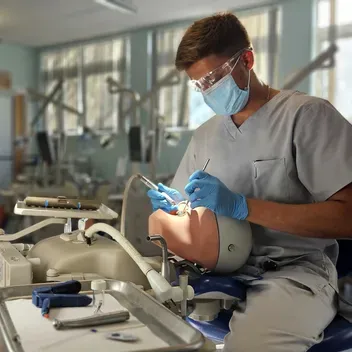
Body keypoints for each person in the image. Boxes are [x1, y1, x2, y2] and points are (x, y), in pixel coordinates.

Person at [147, 12, 352, 352]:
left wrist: (244, 207)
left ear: (247, 60)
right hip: (222, 269)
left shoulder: (306, 117)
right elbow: (190, 212)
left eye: (213, 78)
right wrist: (175, 208)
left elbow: (347, 216)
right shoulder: (205, 136)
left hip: (293, 273)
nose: (207, 91)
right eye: (198, 85)